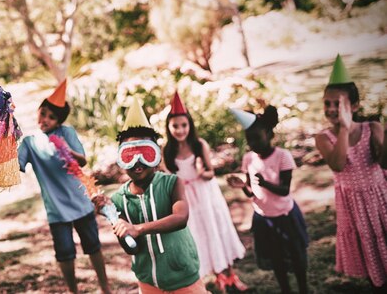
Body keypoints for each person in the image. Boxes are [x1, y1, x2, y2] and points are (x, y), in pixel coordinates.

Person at [93, 99, 207, 294]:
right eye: (130, 155)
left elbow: (181, 218)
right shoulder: (120, 199)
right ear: (121, 159)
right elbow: (131, 248)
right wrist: (115, 219)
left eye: (145, 153)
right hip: (147, 280)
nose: (138, 161)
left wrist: (138, 229)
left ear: (157, 156)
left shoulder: (172, 183)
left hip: (183, 277)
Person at [17, 80, 111, 293]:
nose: (46, 120)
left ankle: (106, 288)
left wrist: (68, 150)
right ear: (38, 111)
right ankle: (73, 291)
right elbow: (18, 166)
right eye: (43, 113)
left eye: (52, 117)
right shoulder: (29, 143)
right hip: (56, 209)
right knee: (65, 253)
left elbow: (83, 160)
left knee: (93, 247)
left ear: (59, 121)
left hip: (80, 202)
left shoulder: (66, 133)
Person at [314, 55, 387, 293]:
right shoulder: (324, 138)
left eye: (339, 104)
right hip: (353, 206)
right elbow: (337, 163)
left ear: (354, 106)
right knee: (369, 253)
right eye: (327, 103)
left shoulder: (372, 128)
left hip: (380, 200)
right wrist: (344, 128)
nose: (332, 109)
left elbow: (384, 162)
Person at [163, 92, 247, 292]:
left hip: (206, 195)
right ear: (168, 127)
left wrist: (202, 171)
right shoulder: (167, 151)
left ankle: (230, 274)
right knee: (199, 234)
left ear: (190, 125)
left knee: (216, 229)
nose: (180, 130)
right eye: (175, 126)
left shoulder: (199, 145)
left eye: (184, 125)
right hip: (187, 199)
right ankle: (216, 274)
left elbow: (210, 173)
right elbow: (169, 180)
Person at [226, 105, 309, 294]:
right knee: (276, 258)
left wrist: (265, 183)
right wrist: (242, 187)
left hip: (285, 216)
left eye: (257, 137)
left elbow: (284, 190)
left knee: (296, 256)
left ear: (269, 134)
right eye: (249, 139)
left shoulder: (283, 156)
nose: (253, 143)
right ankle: (285, 289)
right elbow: (251, 192)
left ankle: (303, 288)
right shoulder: (248, 158)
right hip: (263, 218)